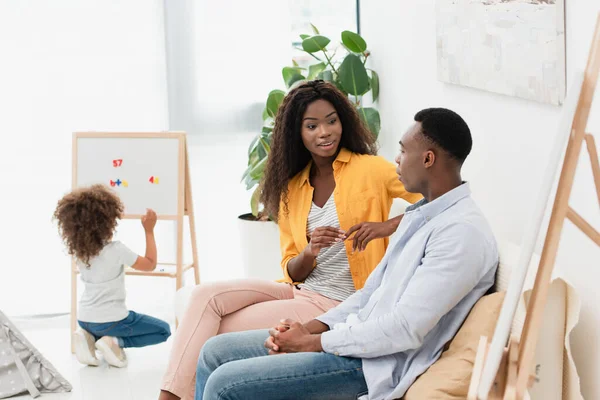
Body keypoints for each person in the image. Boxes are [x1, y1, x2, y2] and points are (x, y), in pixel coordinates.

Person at [194, 108, 499, 400]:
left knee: (225, 385)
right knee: (214, 351)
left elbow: (405, 329)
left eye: (404, 151)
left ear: (428, 159)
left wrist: (314, 343)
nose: (397, 159)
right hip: (351, 341)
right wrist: (309, 328)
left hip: (372, 366)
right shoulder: (419, 216)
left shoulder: (461, 233)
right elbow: (369, 294)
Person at [159, 80, 421, 400]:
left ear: (344, 122)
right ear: (296, 132)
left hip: (339, 304)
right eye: (312, 125)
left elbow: (433, 198)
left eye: (331, 121)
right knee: (204, 297)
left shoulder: (371, 169)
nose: (324, 132)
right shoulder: (293, 187)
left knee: (215, 335)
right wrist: (310, 251)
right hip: (299, 290)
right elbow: (292, 269)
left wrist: (386, 226)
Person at [53, 185, 171, 368]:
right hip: (112, 320)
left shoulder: (79, 252)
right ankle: (114, 342)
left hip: (84, 318)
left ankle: (88, 337)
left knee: (102, 327)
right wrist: (149, 230)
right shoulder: (116, 250)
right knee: (164, 330)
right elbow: (150, 264)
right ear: (107, 221)